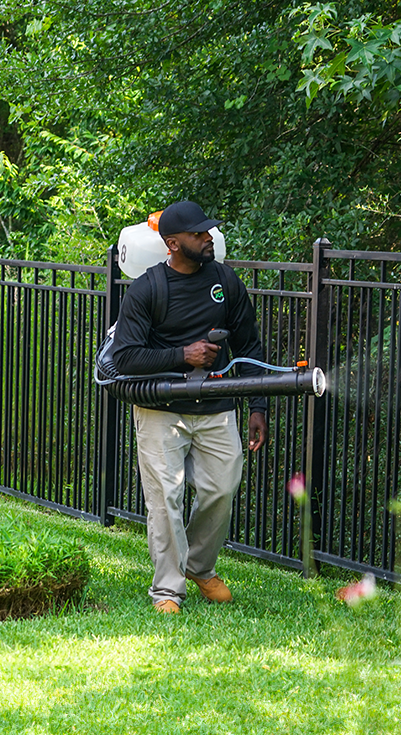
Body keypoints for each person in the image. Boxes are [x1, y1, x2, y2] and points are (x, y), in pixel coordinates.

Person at [111, 200, 268, 613]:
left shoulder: (225, 281)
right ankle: (168, 589)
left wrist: (257, 405)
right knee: (166, 499)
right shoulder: (147, 289)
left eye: (209, 231)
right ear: (174, 243)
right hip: (162, 408)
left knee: (222, 487)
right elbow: (125, 358)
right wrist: (184, 354)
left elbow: (249, 345)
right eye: (199, 234)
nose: (208, 238)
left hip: (216, 406)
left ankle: (199, 566)